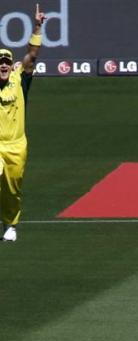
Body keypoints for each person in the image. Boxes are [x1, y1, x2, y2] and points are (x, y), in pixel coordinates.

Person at [0, 3, 45, 243]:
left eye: (7, 62)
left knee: (12, 188)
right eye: (0, 63)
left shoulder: (20, 79)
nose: (4, 65)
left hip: (16, 145)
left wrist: (37, 27)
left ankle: (10, 224)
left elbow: (32, 55)